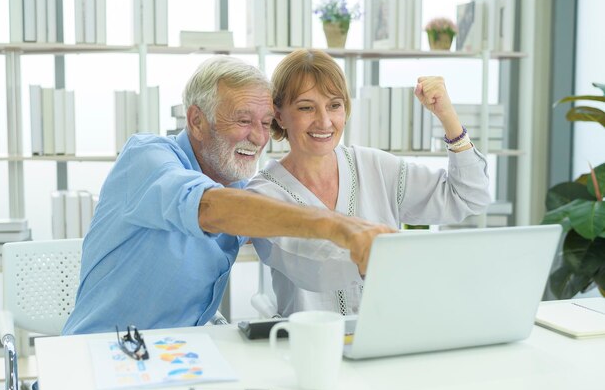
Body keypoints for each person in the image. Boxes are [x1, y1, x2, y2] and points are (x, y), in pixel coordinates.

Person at [62, 55, 394, 335]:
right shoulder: (146, 158)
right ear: (196, 121)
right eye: (243, 120)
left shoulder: (240, 188)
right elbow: (208, 208)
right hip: (103, 351)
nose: (259, 137)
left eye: (266, 123)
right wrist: (338, 226)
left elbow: (303, 253)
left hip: (181, 356)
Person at [246, 49, 492, 317]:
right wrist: (386, 257)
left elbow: (469, 197)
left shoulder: (374, 166)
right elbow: (312, 267)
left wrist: (447, 116)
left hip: (390, 340)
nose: (324, 121)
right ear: (279, 115)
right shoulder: (263, 195)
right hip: (311, 348)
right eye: (306, 107)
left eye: (334, 105)